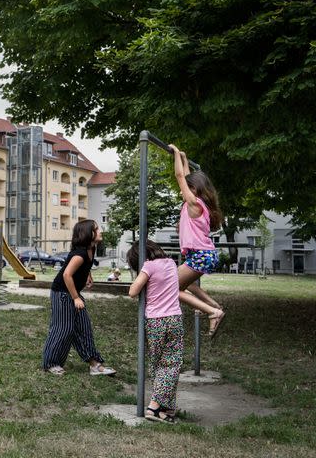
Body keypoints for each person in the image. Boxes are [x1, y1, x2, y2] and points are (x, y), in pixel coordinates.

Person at [42, 220, 116, 376]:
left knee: (84, 328)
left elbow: (84, 267)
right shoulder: (80, 254)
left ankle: (94, 364)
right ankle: (51, 363)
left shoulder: (92, 248)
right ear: (88, 234)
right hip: (62, 293)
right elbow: (67, 275)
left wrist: (88, 275)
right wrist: (76, 298)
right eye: (96, 229)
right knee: (63, 329)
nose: (100, 231)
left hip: (73, 292)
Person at [170, 144, 226, 338]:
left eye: (189, 187)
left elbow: (179, 177)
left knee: (169, 287)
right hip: (203, 254)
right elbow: (185, 177)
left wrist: (176, 154)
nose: (184, 189)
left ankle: (212, 312)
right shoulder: (199, 204)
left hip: (200, 255)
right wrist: (185, 160)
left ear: (195, 189)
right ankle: (214, 306)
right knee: (188, 286)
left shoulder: (194, 204)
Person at [127, 240, 184, 424]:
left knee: (159, 365)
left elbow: (132, 291)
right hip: (174, 319)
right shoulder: (171, 263)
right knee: (172, 364)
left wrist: (141, 275)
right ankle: (163, 407)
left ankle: (154, 406)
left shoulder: (148, 267)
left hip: (155, 322)